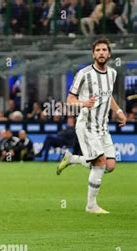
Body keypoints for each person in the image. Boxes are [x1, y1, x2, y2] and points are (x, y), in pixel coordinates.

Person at [57, 38, 127, 214]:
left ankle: (73, 159)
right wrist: (84, 103)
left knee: (109, 166)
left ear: (109, 54)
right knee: (100, 163)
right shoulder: (84, 74)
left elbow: (108, 96)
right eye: (98, 50)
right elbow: (70, 100)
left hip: (103, 127)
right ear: (93, 54)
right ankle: (91, 205)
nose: (101, 53)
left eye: (104, 50)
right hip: (86, 125)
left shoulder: (112, 73)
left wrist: (119, 112)